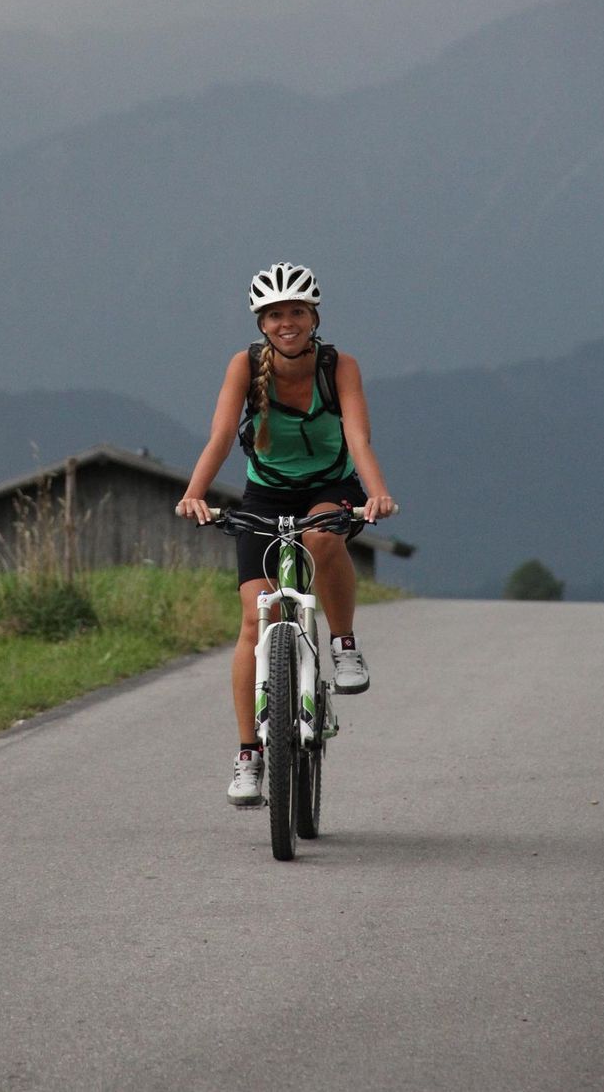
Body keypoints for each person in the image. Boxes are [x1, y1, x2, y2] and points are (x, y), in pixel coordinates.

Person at [177, 261, 397, 806]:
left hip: (330, 486)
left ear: (314, 315)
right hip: (266, 495)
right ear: (261, 323)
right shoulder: (244, 366)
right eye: (275, 315)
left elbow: (359, 438)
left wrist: (377, 494)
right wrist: (194, 493)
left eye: (296, 311)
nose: (286, 323)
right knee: (256, 619)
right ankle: (249, 753)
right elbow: (223, 436)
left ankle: (344, 645)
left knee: (325, 539)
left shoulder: (338, 365)